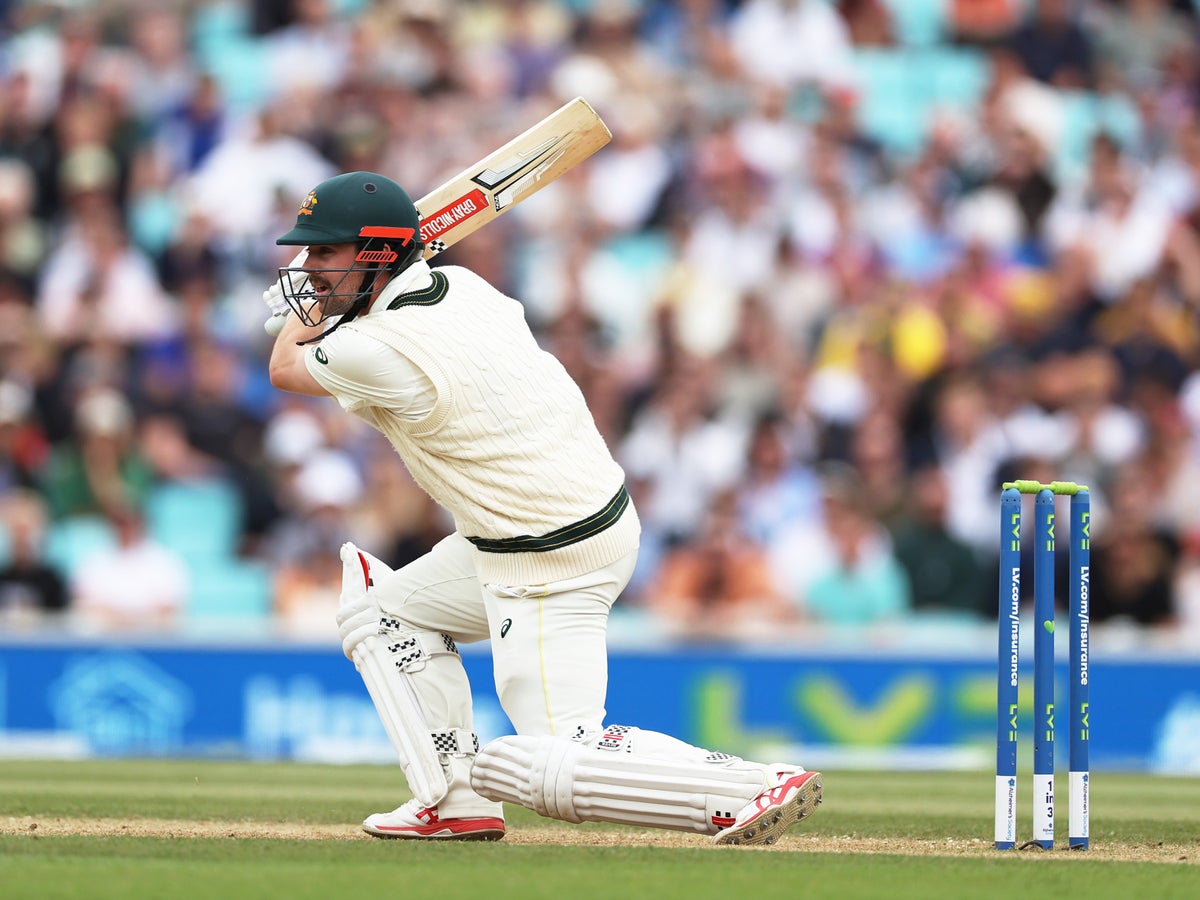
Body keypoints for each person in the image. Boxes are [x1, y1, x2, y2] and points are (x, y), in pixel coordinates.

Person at [263, 171, 822, 844]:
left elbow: (284, 368)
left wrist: (305, 311)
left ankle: (750, 785)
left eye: (324, 253)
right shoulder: (464, 287)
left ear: (379, 253)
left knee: (557, 759)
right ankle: (454, 798)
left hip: (547, 555)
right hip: (546, 526)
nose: (308, 269)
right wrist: (339, 291)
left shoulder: (374, 349)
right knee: (382, 615)